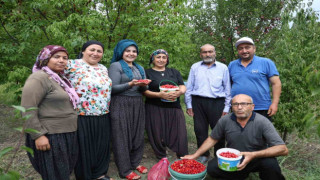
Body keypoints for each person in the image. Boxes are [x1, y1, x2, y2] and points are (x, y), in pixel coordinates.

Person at [182, 94, 289, 179]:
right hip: (234, 158)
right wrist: (195, 155)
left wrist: (253, 155)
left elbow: (283, 149)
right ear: (231, 107)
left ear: (252, 107)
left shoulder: (262, 122)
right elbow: (212, 139)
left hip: (257, 157)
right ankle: (240, 174)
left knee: (271, 166)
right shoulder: (225, 120)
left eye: (244, 104)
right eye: (235, 104)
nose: (239, 107)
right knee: (212, 168)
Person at [21, 45, 79, 180]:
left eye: (65, 58)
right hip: (50, 135)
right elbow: (27, 108)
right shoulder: (38, 78)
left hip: (66, 133)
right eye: (56, 57)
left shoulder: (59, 79)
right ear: (45, 58)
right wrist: (38, 135)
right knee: (54, 174)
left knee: (64, 172)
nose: (62, 60)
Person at [64, 40, 113, 180]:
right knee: (85, 147)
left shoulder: (103, 68)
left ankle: (100, 174)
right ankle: (85, 176)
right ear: (83, 51)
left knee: (101, 146)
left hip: (103, 113)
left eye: (99, 51)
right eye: (92, 50)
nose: (95, 53)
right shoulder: (72, 64)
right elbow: (52, 77)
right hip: (82, 113)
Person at [109, 39, 150, 180]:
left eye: (134, 51)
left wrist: (144, 84)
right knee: (122, 136)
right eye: (128, 51)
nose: (131, 54)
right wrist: (130, 84)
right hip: (120, 103)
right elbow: (112, 88)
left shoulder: (139, 68)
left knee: (137, 134)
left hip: (137, 103)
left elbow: (144, 88)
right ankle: (125, 169)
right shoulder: (115, 66)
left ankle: (135, 162)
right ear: (121, 52)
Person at [185, 44, 231, 163]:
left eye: (210, 51)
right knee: (200, 130)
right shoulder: (195, 67)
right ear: (201, 54)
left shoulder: (223, 68)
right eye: (204, 52)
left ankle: (218, 155)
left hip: (217, 102)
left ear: (215, 53)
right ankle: (204, 155)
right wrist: (189, 104)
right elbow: (189, 87)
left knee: (219, 130)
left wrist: (227, 107)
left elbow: (227, 89)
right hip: (198, 102)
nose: (207, 54)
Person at [143, 49, 188, 159]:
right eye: (158, 57)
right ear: (153, 59)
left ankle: (182, 154)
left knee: (179, 131)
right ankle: (161, 155)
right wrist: (159, 95)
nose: (161, 59)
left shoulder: (174, 72)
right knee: (156, 133)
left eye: (164, 57)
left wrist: (180, 92)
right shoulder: (146, 72)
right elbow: (144, 91)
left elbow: (182, 85)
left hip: (174, 106)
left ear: (167, 59)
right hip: (154, 107)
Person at [228, 37, 282, 120]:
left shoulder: (266, 62)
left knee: (260, 132)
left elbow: (276, 83)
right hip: (238, 108)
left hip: (261, 107)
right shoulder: (232, 65)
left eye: (247, 47)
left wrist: (275, 103)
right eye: (241, 48)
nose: (244, 51)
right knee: (238, 132)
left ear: (254, 48)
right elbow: (228, 86)